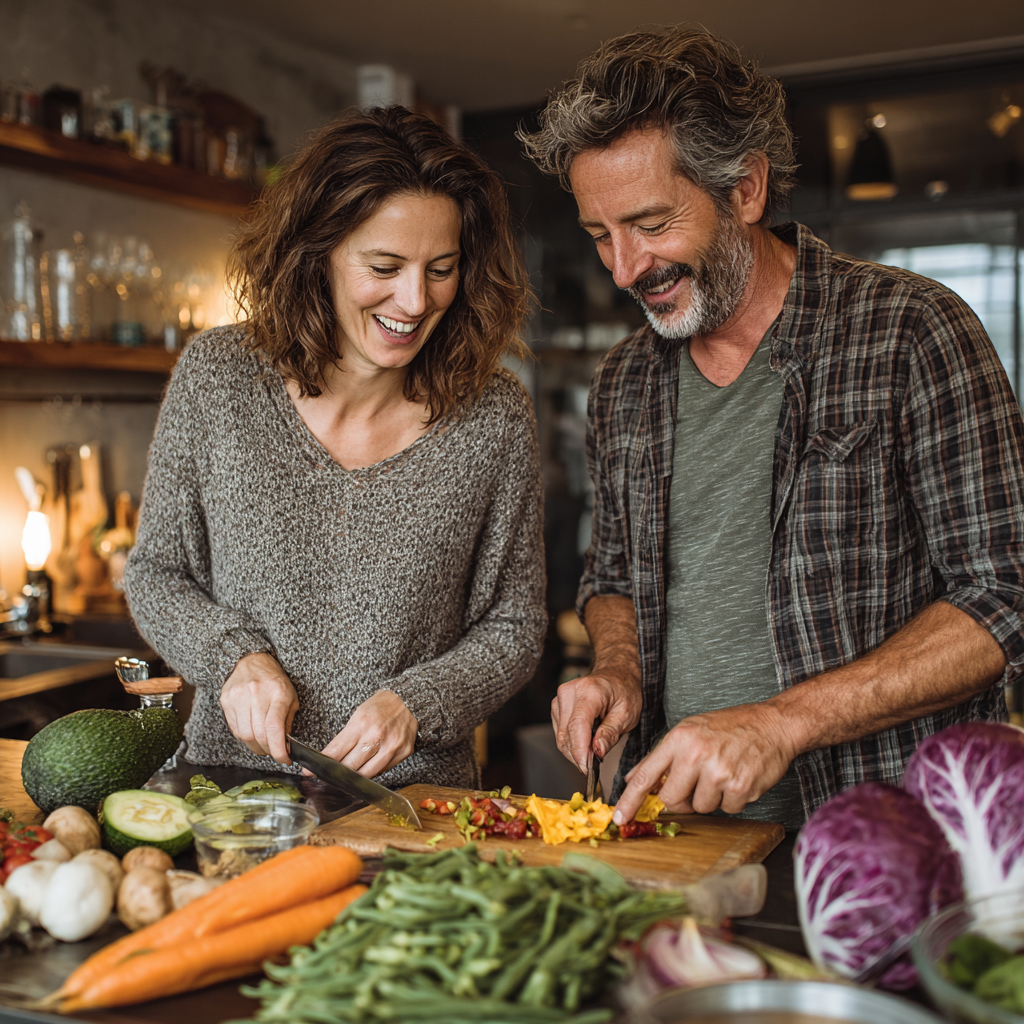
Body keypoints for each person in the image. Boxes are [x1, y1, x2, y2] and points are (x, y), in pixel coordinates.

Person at [520, 28, 1024, 832]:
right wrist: (618, 670)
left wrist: (780, 722)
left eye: (650, 223)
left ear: (746, 189)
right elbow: (611, 573)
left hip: (890, 828)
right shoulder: (623, 381)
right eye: (597, 234)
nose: (622, 268)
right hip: (682, 832)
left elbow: (1004, 596)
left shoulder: (912, 330)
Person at [124, 106, 546, 789]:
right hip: (232, 793)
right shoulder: (219, 378)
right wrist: (233, 658)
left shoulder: (493, 416)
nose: (414, 300)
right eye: (384, 265)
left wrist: (418, 705)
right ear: (317, 253)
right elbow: (156, 574)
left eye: (442, 268)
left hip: (415, 803)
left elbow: (514, 623)